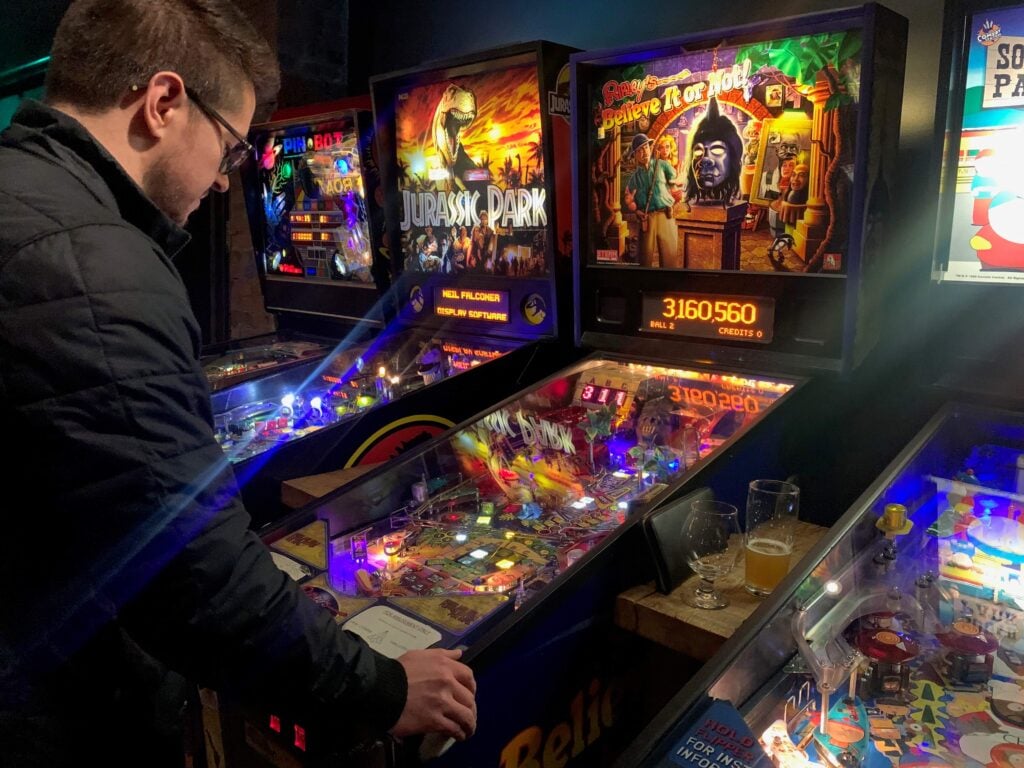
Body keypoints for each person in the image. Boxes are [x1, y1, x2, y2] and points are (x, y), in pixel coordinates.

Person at [0, 1, 477, 766]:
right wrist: (382, 690)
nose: (227, 183)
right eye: (230, 150)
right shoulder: (96, 266)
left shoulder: (26, 197)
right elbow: (192, 575)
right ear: (162, 104)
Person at [623, 132, 684, 268]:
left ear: (650, 148)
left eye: (646, 147)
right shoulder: (634, 178)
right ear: (635, 156)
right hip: (646, 220)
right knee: (644, 261)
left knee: (670, 260)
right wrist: (636, 210)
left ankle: (669, 287)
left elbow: (676, 182)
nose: (644, 151)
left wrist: (679, 182)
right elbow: (628, 199)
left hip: (666, 216)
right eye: (639, 150)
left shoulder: (662, 165)